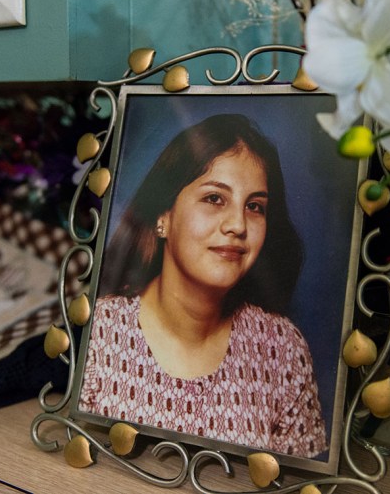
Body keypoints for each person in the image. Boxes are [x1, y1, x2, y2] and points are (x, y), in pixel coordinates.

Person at [78, 114, 327, 458]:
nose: (238, 225)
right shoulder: (102, 332)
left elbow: (300, 481)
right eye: (214, 199)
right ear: (162, 216)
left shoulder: (283, 349)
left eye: (255, 207)